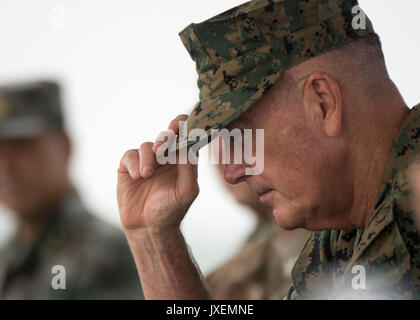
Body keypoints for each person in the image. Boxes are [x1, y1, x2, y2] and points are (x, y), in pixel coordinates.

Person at [117, 0, 420, 299]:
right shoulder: (344, 231)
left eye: (243, 136)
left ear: (323, 104)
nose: (232, 172)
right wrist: (154, 237)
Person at [0, 80, 143, 299]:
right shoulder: (11, 255)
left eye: (22, 147)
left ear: (65, 146)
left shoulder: (102, 254)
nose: (6, 167)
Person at [205, 143, 309, 299]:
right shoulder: (254, 245)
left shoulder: (324, 236)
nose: (229, 172)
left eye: (238, 138)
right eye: (210, 138)